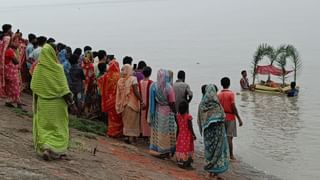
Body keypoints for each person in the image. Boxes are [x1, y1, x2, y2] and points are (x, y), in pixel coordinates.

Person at [31, 43, 77, 161]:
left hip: (43, 103)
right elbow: (64, 89)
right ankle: (58, 150)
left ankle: (46, 149)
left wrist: (36, 106)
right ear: (53, 53)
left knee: (44, 127)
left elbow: (34, 86)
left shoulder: (38, 68)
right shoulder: (58, 68)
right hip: (57, 104)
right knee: (59, 127)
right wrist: (72, 104)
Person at [198, 84, 229, 178]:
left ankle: (210, 171)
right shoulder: (217, 105)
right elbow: (223, 117)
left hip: (207, 134)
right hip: (218, 133)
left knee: (209, 150)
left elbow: (200, 118)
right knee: (217, 151)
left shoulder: (202, 105)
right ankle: (214, 172)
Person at [149, 69, 176, 158]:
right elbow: (172, 102)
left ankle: (158, 148)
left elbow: (152, 100)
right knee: (167, 131)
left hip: (157, 110)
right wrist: (175, 112)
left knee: (158, 130)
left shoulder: (154, 85)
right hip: (167, 111)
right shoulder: (168, 87)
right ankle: (166, 150)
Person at [116, 64, 144, 144]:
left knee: (126, 121)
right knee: (133, 122)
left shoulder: (120, 80)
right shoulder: (133, 79)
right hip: (132, 103)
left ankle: (126, 137)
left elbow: (119, 94)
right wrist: (141, 101)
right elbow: (136, 91)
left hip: (123, 103)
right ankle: (131, 139)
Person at [218, 77, 243, 161]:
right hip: (230, 117)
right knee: (229, 137)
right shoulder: (231, 94)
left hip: (222, 117)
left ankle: (222, 153)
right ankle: (231, 155)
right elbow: (233, 107)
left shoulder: (219, 95)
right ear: (229, 84)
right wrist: (239, 118)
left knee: (222, 136)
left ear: (221, 84)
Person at [98, 60, 123, 137]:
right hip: (117, 99)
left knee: (111, 117)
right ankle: (118, 133)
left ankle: (112, 132)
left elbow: (99, 81)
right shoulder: (119, 76)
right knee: (118, 116)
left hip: (108, 100)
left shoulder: (105, 76)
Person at [3, 36, 23, 109]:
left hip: (6, 71)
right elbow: (16, 61)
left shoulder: (3, 50)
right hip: (11, 72)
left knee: (10, 87)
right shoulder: (10, 51)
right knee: (15, 87)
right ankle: (19, 103)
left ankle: (9, 101)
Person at [176, 101, 196, 169]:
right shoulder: (188, 117)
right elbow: (190, 127)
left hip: (181, 135)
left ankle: (180, 161)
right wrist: (193, 134)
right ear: (186, 108)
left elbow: (178, 127)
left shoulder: (178, 116)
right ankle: (187, 164)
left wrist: (177, 135)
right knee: (188, 149)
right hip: (187, 135)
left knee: (181, 148)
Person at [139, 66, 153, 138]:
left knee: (142, 118)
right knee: (148, 118)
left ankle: (142, 132)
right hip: (149, 104)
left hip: (141, 103)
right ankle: (148, 135)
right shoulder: (151, 83)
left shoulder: (140, 82)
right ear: (150, 74)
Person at [81, 50, 96, 116]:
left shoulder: (86, 65)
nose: (85, 57)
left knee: (85, 98)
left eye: (86, 56)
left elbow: (89, 76)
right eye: (85, 56)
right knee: (86, 98)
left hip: (85, 83)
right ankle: (85, 112)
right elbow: (89, 76)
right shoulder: (87, 65)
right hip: (86, 83)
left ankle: (84, 112)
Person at [0, 24, 13, 97]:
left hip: (2, 55)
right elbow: (10, 46)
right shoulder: (8, 37)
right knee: (2, 74)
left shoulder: (2, 37)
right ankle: (2, 92)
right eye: (10, 29)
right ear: (8, 30)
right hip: (4, 56)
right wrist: (12, 37)